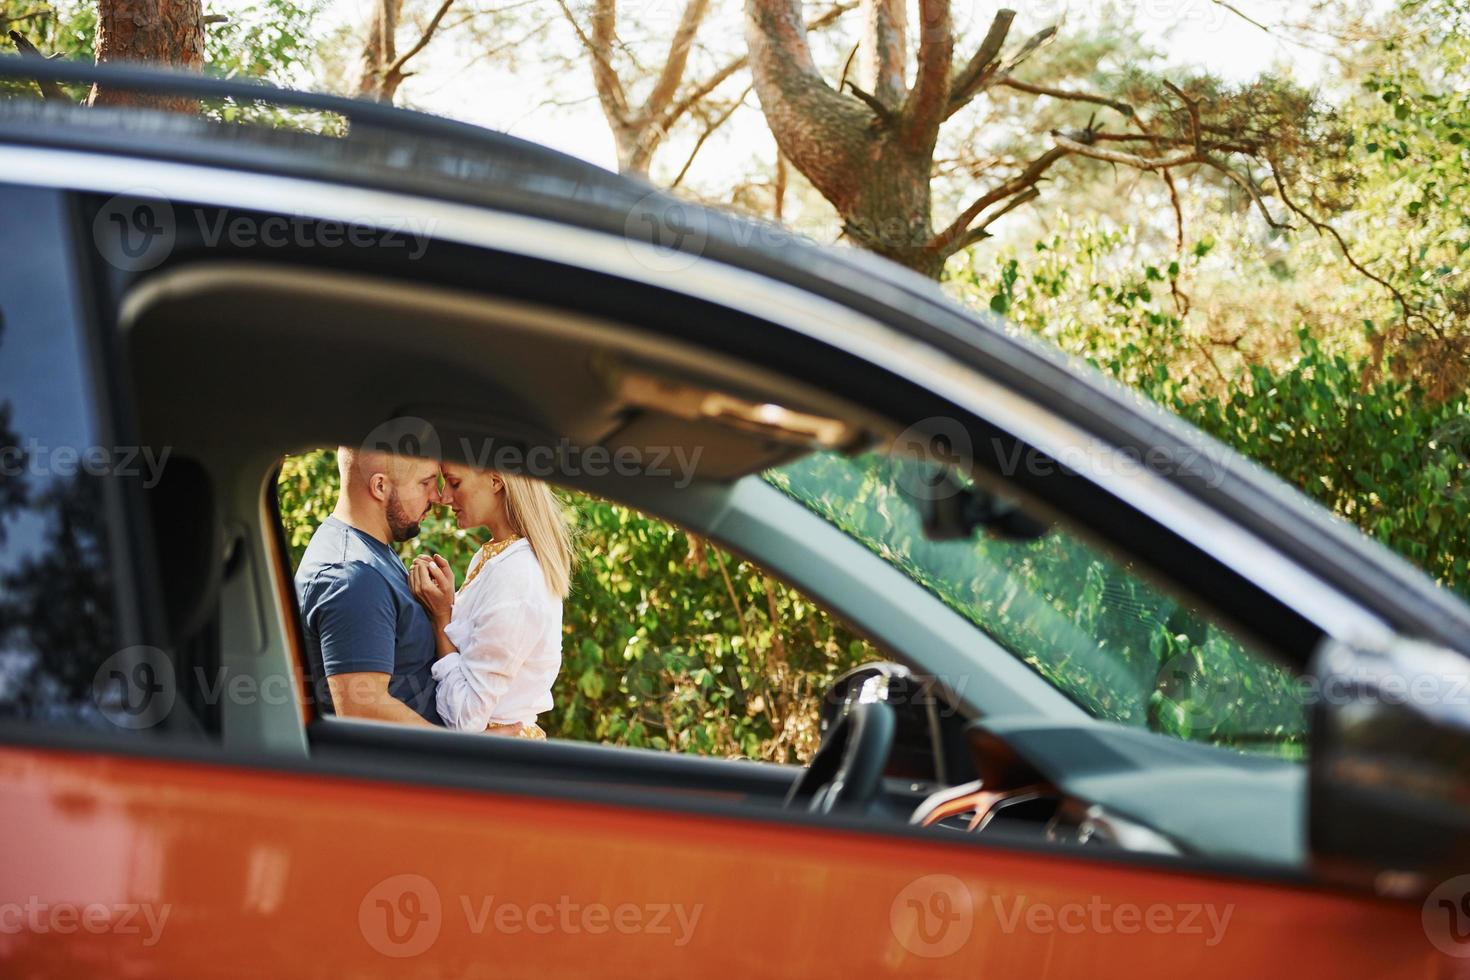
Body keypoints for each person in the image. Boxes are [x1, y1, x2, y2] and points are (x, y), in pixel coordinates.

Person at [409, 462, 572, 738]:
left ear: (496, 481)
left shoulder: (516, 574)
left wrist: (441, 619)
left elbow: (465, 718)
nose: (444, 497)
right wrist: (449, 602)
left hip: (494, 761)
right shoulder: (495, 557)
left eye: (455, 483)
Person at [295, 447, 444, 726]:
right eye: (426, 483)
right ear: (379, 486)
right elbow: (363, 711)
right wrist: (468, 750)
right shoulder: (352, 576)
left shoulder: (371, 550)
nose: (437, 496)